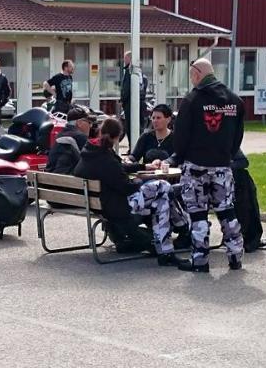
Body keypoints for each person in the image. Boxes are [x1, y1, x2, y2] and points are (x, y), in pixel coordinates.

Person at [164, 58, 245, 273]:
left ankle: (200, 261)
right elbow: (238, 137)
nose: (191, 79)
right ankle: (235, 257)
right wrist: (226, 156)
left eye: (191, 75)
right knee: (227, 211)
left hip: (196, 167)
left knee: (198, 214)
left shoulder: (192, 100)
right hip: (222, 167)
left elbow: (181, 137)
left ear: (197, 74)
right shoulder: (235, 101)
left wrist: (180, 156)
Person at [74, 118, 186, 266]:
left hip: (99, 203)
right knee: (163, 187)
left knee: (162, 198)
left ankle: (168, 249)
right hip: (117, 206)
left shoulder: (91, 151)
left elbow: (117, 168)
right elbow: (126, 187)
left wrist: (143, 167)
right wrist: (141, 180)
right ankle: (181, 229)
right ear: (118, 137)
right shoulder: (106, 158)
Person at [45, 107, 92, 175]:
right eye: (89, 122)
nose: (90, 126)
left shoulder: (59, 135)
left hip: (50, 178)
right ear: (79, 123)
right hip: (68, 180)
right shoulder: (81, 137)